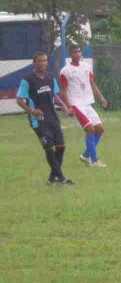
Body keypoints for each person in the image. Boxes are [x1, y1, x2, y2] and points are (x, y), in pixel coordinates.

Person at [15, 52, 74, 185]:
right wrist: (32, 111)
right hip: (38, 119)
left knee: (61, 146)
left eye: (45, 61)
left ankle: (52, 178)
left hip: (52, 117)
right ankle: (62, 178)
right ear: (34, 63)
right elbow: (19, 100)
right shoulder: (27, 80)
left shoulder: (50, 78)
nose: (43, 63)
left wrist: (64, 107)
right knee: (48, 147)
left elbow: (56, 96)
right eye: (40, 61)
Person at [59, 44, 108, 167]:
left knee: (100, 129)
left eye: (79, 52)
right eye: (75, 52)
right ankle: (94, 160)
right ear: (70, 54)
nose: (77, 54)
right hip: (76, 104)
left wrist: (101, 97)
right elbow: (63, 91)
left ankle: (85, 155)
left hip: (87, 103)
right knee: (90, 129)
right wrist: (68, 107)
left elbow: (92, 83)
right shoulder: (65, 71)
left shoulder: (87, 67)